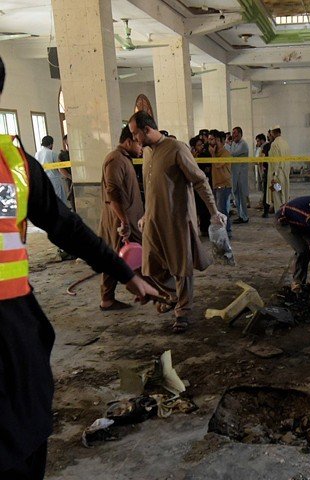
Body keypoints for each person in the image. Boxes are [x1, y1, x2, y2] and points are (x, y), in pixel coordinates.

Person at [0, 56, 158, 480]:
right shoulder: (13, 164)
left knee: (25, 436)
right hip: (15, 335)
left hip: (15, 335)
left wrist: (126, 273)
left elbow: (66, 228)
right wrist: (125, 273)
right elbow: (68, 226)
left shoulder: (14, 166)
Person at [129, 111, 225, 333]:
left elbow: (200, 181)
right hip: (153, 219)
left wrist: (213, 211)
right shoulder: (147, 153)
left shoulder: (177, 148)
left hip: (177, 219)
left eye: (135, 134)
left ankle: (183, 311)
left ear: (146, 129)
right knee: (150, 264)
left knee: (181, 266)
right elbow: (151, 189)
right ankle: (173, 295)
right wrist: (145, 214)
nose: (134, 139)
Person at [98, 126, 145, 311]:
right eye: (138, 143)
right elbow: (113, 194)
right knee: (121, 257)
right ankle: (148, 293)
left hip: (127, 219)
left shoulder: (124, 159)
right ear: (128, 141)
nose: (141, 148)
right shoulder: (115, 159)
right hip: (121, 222)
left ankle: (110, 298)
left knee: (115, 258)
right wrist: (124, 221)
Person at [210, 130, 233, 238]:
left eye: (213, 140)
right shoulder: (215, 153)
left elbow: (218, 164)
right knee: (218, 211)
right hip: (216, 184)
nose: (211, 142)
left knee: (222, 210)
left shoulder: (225, 153)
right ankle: (222, 231)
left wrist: (213, 155)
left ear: (220, 141)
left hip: (224, 185)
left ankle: (227, 231)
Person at [35, 135, 67, 205]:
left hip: (43, 179)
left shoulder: (37, 153)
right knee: (58, 198)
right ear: (51, 144)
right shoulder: (52, 153)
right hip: (54, 179)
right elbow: (59, 166)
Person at [267, 125, 291, 212]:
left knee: (277, 197)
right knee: (284, 196)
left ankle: (279, 214)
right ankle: (285, 213)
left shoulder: (274, 144)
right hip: (285, 175)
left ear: (273, 133)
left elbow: (276, 162)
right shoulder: (286, 143)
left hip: (277, 177)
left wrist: (274, 176)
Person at [230, 126, 250, 224]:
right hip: (235, 174)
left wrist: (226, 146)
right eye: (233, 133)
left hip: (241, 174)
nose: (233, 136)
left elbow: (232, 154)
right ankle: (240, 215)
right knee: (237, 196)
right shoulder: (234, 143)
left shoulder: (243, 144)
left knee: (242, 196)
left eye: (235, 134)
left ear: (240, 134)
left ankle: (245, 217)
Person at [58, 134, 75, 211]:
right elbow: (61, 168)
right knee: (72, 198)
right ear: (65, 142)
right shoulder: (62, 155)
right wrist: (70, 177)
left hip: (82, 179)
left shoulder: (78, 152)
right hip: (69, 180)